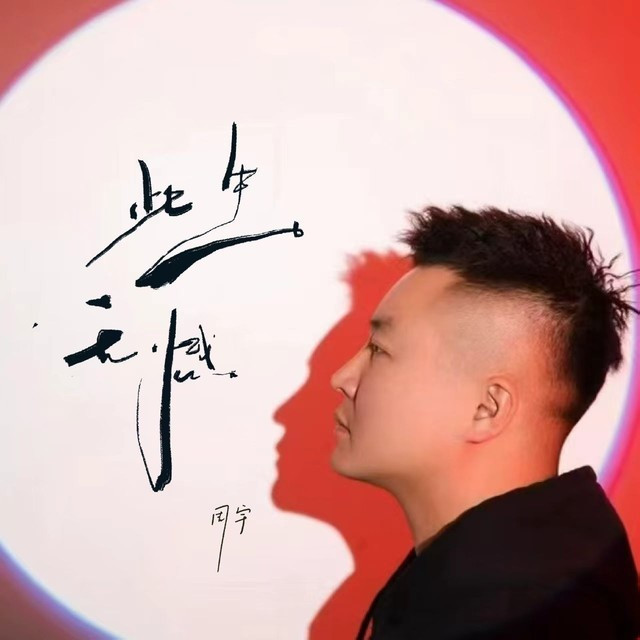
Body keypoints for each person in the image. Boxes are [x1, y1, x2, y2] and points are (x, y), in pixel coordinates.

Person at [329, 204, 640, 639]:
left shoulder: (511, 613)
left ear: (487, 408)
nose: (342, 378)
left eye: (380, 350)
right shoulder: (541, 576)